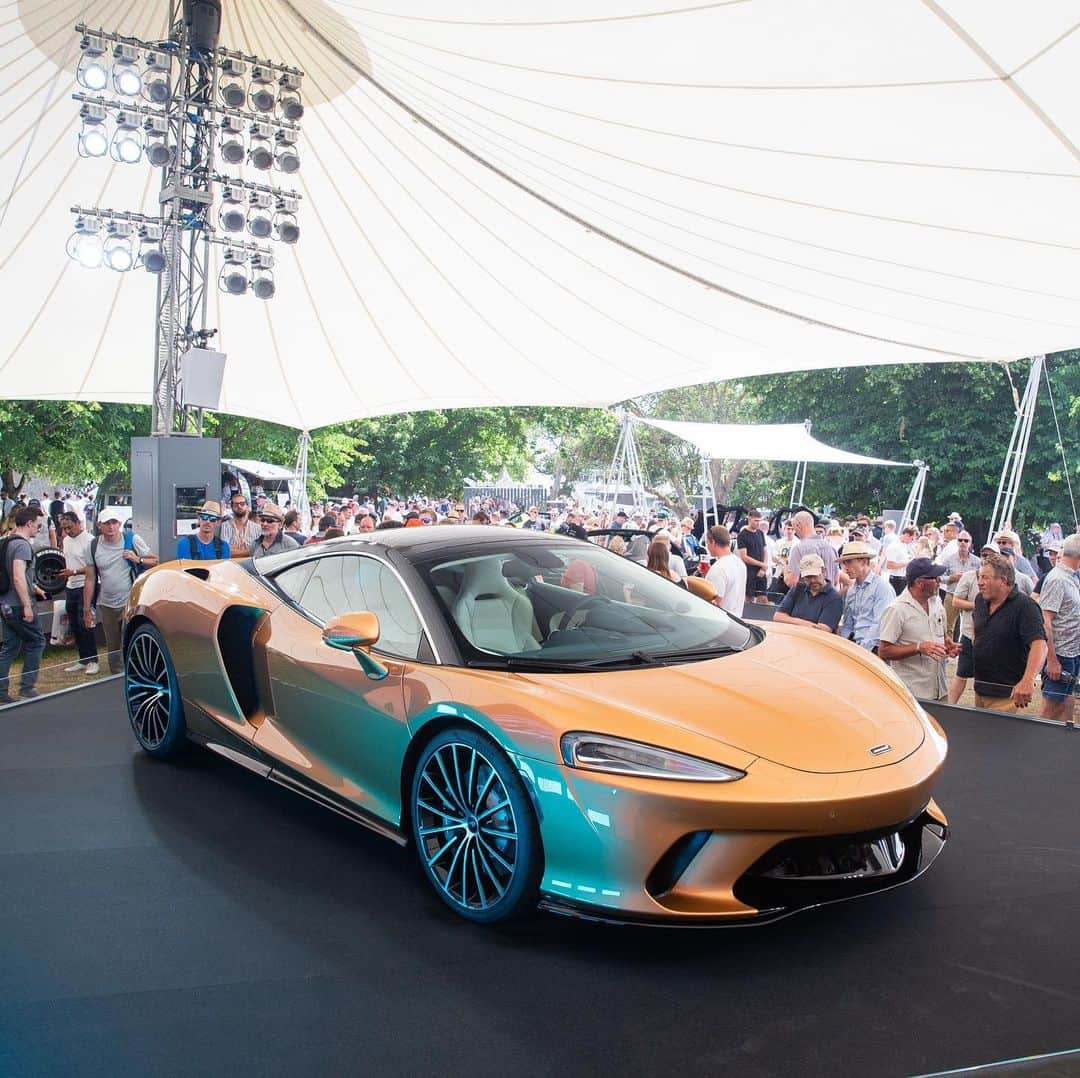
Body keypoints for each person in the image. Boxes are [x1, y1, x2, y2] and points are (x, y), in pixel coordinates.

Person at [971, 552, 1047, 712]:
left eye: (985, 577)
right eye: (979, 577)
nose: (979, 582)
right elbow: (977, 629)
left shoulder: (1025, 607)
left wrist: (1028, 680)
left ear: (1003, 581)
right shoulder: (980, 600)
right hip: (981, 689)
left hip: (1009, 697)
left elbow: (1040, 645)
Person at [878, 558, 958, 702]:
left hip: (940, 690)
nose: (939, 581)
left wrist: (947, 644)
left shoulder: (936, 602)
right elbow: (883, 651)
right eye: (934, 578)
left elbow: (941, 634)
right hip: (913, 694)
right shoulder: (896, 609)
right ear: (919, 583)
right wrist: (918, 647)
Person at [90, 508, 156, 673]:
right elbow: (90, 576)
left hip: (130, 600)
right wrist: (87, 606)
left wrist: (137, 559)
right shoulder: (93, 545)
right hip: (106, 602)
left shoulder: (132, 539)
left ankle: (138, 671)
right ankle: (117, 675)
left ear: (119, 524)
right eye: (107, 523)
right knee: (112, 644)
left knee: (132, 639)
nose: (111, 527)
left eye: (114, 523)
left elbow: (155, 560)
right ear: (100, 525)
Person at [0, 507, 49, 703]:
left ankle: (2, 692)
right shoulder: (22, 546)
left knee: (10, 646)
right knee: (37, 641)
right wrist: (27, 605)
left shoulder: (5, 541)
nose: (39, 529)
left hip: (5, 603)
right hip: (18, 604)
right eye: (38, 525)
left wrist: (34, 587)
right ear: (29, 523)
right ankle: (27, 688)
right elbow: (18, 576)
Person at [1036, 534, 1079, 723]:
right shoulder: (1057, 580)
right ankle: (1035, 749)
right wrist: (1052, 660)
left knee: (1066, 701)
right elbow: (1045, 620)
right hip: (1060, 655)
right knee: (1050, 708)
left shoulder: (1071, 577)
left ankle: (1064, 743)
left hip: (1071, 653)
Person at [57, 511, 98, 675]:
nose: (67, 531)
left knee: (86, 622)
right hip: (71, 585)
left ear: (78, 523)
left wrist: (73, 572)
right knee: (74, 623)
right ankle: (83, 658)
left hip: (85, 584)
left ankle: (93, 659)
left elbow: (93, 568)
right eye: (64, 528)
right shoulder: (66, 540)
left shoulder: (89, 540)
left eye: (70, 527)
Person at [838, 540, 894, 652]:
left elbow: (879, 624)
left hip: (873, 647)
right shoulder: (852, 589)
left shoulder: (881, 587)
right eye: (844, 563)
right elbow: (848, 623)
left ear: (863, 562)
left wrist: (863, 649)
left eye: (849, 562)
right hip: (855, 643)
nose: (845, 567)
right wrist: (843, 643)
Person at [773, 554, 843, 634]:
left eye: (815, 576)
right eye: (808, 577)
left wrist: (790, 620)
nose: (812, 580)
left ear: (823, 571)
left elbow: (822, 631)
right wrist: (808, 624)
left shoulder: (834, 598)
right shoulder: (798, 588)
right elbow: (778, 616)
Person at [938, 530, 979, 639]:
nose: (963, 543)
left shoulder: (977, 561)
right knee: (947, 626)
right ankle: (947, 651)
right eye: (960, 540)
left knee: (971, 626)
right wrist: (951, 578)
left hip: (969, 598)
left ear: (970, 543)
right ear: (957, 542)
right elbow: (940, 577)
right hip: (952, 594)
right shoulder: (949, 559)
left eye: (966, 540)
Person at [784, 511, 838, 589]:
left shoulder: (799, 549)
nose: (794, 531)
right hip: (829, 597)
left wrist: (785, 567)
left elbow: (792, 582)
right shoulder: (831, 548)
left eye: (793, 527)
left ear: (798, 525)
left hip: (809, 598)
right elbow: (836, 580)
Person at [705, 525, 746, 616]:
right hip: (737, 618)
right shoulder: (739, 563)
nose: (707, 547)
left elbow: (715, 602)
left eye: (707, 543)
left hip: (721, 621)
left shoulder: (718, 568)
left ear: (713, 542)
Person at [737, 509, 770, 604]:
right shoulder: (742, 535)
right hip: (749, 572)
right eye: (756, 521)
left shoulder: (760, 533)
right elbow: (744, 557)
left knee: (763, 599)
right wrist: (761, 564)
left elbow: (765, 551)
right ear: (749, 519)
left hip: (761, 571)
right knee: (749, 599)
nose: (758, 523)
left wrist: (763, 568)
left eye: (759, 521)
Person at [218, 493, 260, 558]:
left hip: (251, 565)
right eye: (236, 504)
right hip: (232, 565)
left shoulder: (257, 528)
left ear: (247, 506)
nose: (239, 506)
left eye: (242, 504)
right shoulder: (225, 525)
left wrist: (235, 550)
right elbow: (226, 552)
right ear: (231, 507)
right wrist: (250, 551)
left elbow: (259, 551)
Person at [882, 525, 918, 596]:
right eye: (912, 539)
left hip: (904, 578)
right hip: (896, 580)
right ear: (907, 535)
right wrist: (907, 563)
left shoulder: (905, 544)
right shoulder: (894, 546)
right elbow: (889, 565)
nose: (912, 541)